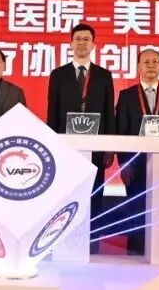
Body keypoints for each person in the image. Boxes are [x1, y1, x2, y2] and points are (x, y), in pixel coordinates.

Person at [46, 23, 116, 251]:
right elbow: (52, 112)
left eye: (86, 39)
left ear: (93, 44)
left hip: (95, 149)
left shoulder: (104, 76)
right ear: (71, 43)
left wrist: (109, 147)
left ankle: (92, 242)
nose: (82, 43)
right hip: (66, 149)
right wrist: (52, 147)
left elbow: (109, 112)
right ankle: (62, 242)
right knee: (65, 196)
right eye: (78, 39)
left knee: (94, 195)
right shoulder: (58, 75)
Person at [114, 48, 159, 255]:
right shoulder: (127, 96)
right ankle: (135, 255)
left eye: (155, 62)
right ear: (138, 67)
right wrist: (124, 164)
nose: (151, 66)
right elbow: (121, 132)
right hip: (135, 165)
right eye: (146, 62)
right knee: (136, 210)